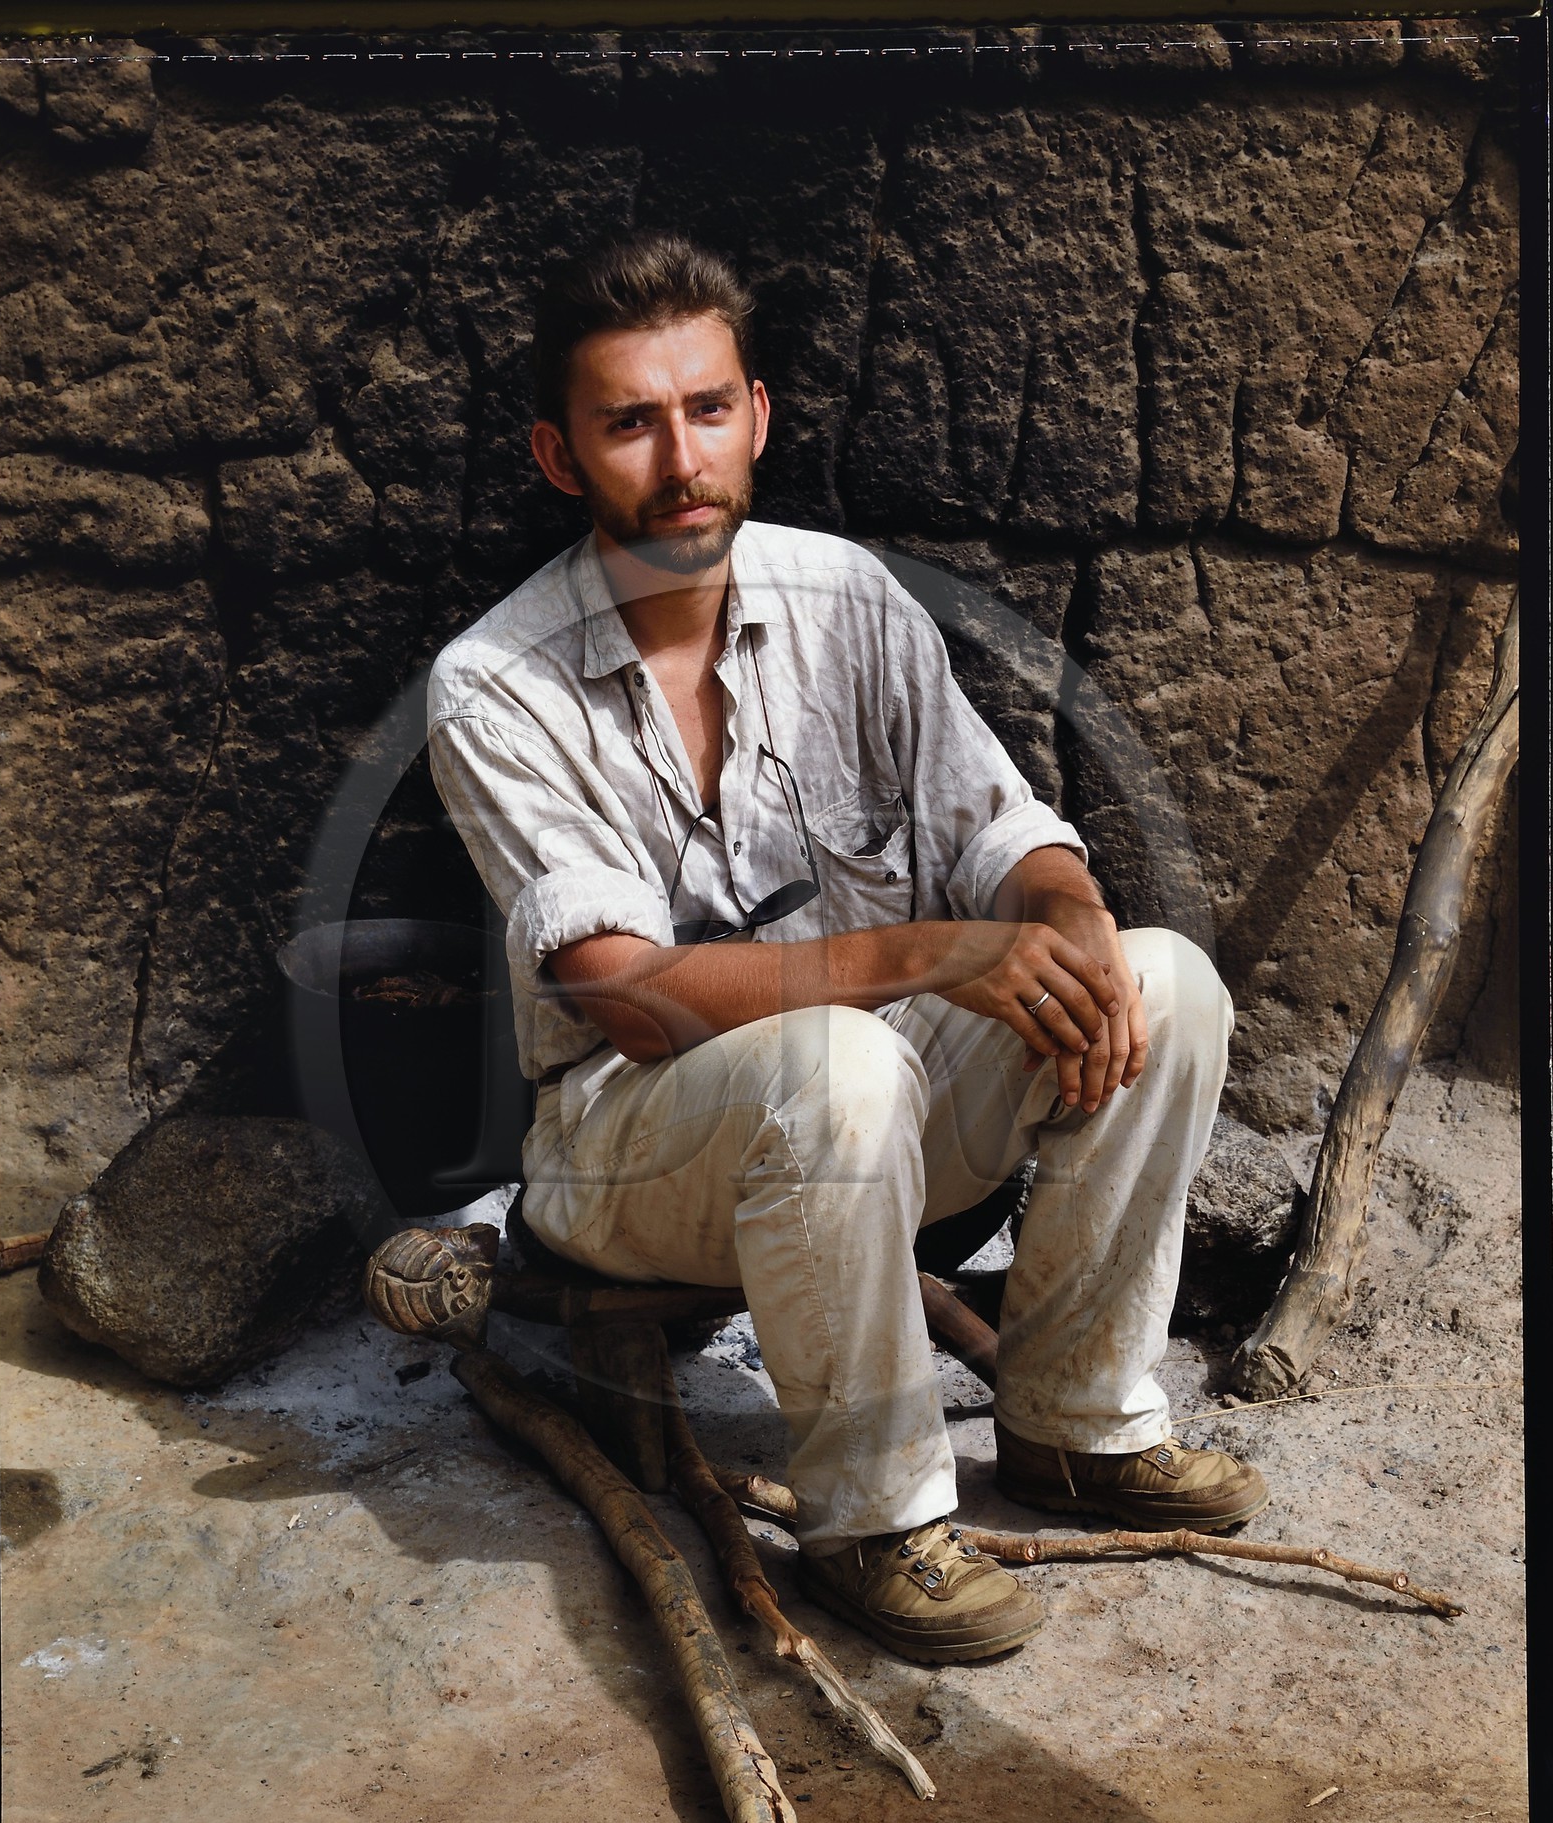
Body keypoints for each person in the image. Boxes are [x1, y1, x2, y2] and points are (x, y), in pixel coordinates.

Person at [426, 231, 1267, 1666]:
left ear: (755, 415)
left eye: (705, 410)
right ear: (562, 458)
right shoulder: (490, 684)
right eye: (628, 422)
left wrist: (1061, 915)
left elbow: (1002, 826)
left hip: (873, 1120)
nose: (677, 458)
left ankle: (1076, 1423)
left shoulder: (852, 603)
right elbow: (625, 998)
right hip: (630, 1160)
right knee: (838, 1057)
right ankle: (873, 1525)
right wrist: (937, 957)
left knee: (1165, 983)